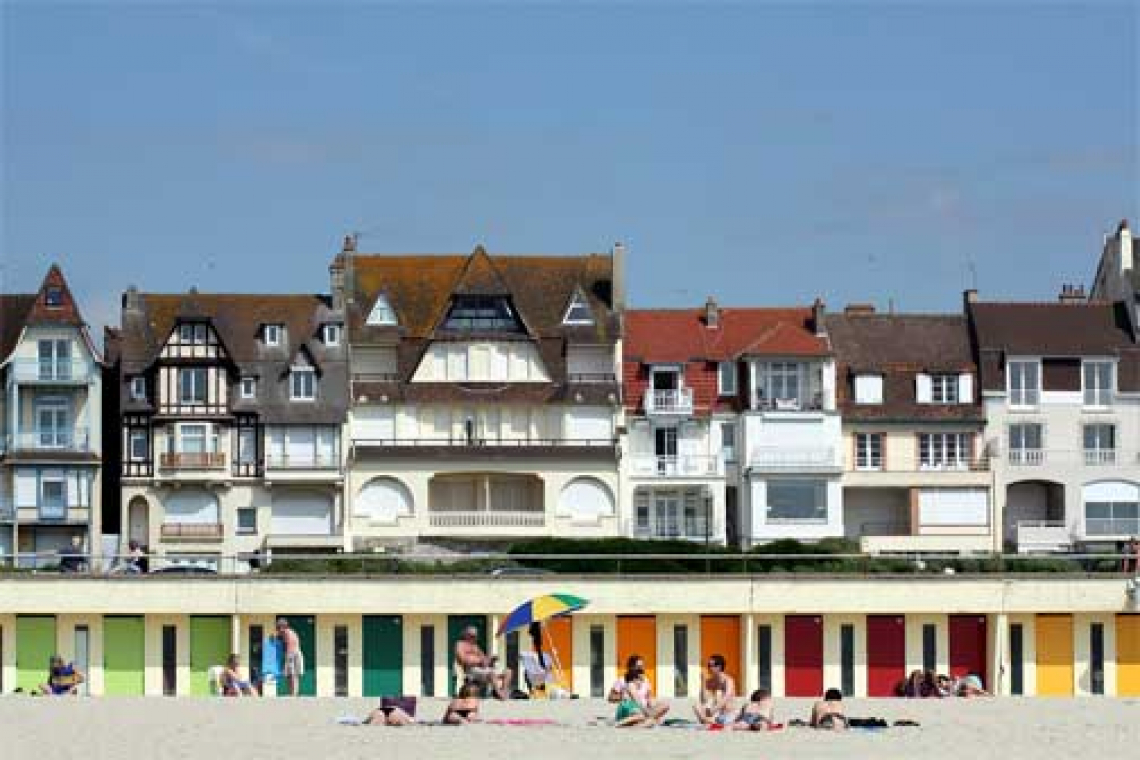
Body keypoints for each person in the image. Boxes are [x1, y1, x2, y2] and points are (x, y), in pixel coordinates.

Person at [609, 655, 669, 727]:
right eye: (638, 666)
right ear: (631, 667)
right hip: (630, 709)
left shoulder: (645, 680)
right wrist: (623, 697)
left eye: (642, 666)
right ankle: (647, 720)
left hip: (644, 710)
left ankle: (646, 720)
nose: (641, 668)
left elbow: (649, 699)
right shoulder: (622, 680)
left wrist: (652, 710)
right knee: (643, 717)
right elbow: (610, 698)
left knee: (664, 705)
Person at [454, 626, 511, 700]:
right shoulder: (460, 644)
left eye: (475, 636)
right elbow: (463, 659)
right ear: (466, 635)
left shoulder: (475, 646)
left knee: (508, 671)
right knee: (491, 674)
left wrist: (491, 659)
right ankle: (500, 694)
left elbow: (484, 659)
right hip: (471, 670)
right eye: (471, 636)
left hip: (482, 669)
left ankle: (503, 691)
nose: (474, 638)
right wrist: (478, 661)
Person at [693, 653, 737, 726]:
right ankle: (709, 720)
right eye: (708, 666)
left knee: (718, 693)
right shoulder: (710, 681)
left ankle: (708, 720)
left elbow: (726, 697)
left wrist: (714, 709)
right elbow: (703, 700)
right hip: (715, 713)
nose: (709, 668)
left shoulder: (728, 680)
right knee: (696, 706)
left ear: (719, 667)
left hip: (727, 713)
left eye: (711, 666)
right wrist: (703, 682)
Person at [276, 618, 303, 697]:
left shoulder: (288, 633)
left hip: (293, 654)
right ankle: (293, 693)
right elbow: (278, 637)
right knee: (290, 674)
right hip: (294, 653)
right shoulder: (285, 633)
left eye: (279, 627)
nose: (278, 629)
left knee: (292, 674)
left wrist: (286, 661)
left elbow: (290, 647)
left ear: (283, 627)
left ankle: (293, 693)